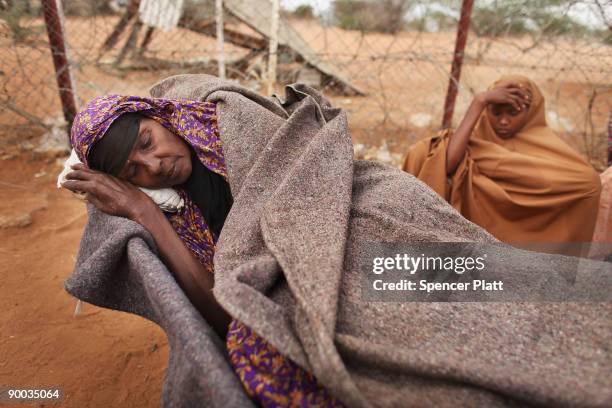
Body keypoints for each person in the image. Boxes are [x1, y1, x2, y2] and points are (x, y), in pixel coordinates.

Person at [62, 94, 344, 407]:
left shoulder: (225, 131)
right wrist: (145, 212)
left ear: (158, 116)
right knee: (252, 346)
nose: (155, 166)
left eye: (146, 142)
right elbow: (226, 315)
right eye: (132, 172)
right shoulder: (179, 214)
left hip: (332, 241)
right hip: (291, 290)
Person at [402, 75, 601, 244]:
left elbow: (587, 184)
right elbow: (445, 163)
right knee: (424, 152)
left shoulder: (546, 147)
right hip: (474, 248)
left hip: (526, 244)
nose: (503, 121)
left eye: (513, 113)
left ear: (531, 111)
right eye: (495, 113)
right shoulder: (472, 143)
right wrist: (479, 101)